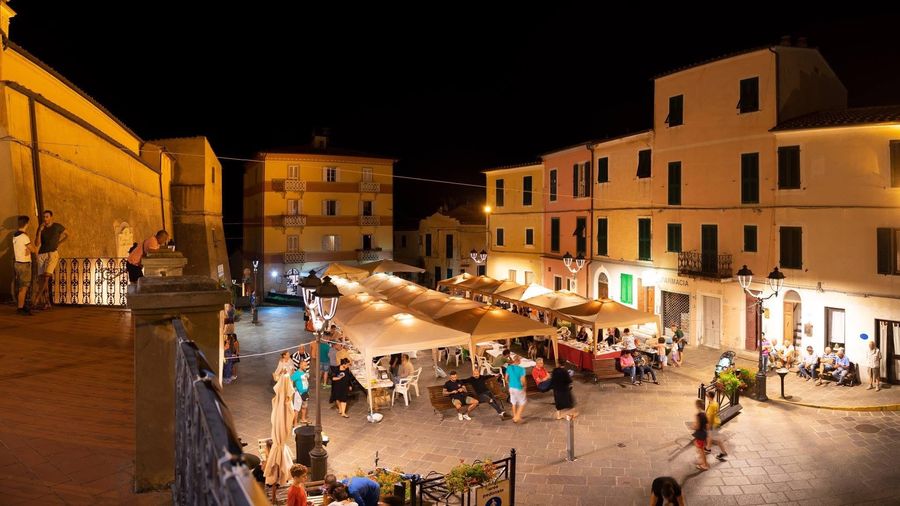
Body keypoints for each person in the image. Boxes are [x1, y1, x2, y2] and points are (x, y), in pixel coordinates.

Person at [33, 210, 68, 310]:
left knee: (47, 277)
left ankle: (37, 299)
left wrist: (59, 243)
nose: (45, 219)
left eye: (47, 217)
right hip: (41, 254)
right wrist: (39, 230)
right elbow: (36, 243)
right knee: (42, 279)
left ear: (51, 217)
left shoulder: (57, 226)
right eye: (44, 217)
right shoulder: (41, 228)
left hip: (52, 254)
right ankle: (47, 302)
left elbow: (68, 234)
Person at [13, 215, 38, 316]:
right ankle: (20, 308)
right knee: (24, 287)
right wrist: (32, 248)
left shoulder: (15, 236)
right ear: (26, 224)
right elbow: (33, 250)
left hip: (17, 263)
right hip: (24, 264)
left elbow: (27, 249)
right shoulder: (24, 237)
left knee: (21, 287)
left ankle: (21, 306)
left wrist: (28, 249)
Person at [705, 390, 728, 461]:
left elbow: (710, 417)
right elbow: (717, 412)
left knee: (718, 439)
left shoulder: (711, 405)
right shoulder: (716, 403)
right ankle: (708, 448)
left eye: (707, 396)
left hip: (713, 424)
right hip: (717, 422)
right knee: (710, 436)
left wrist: (709, 425)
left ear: (709, 397)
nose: (706, 397)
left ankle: (723, 453)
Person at [505, 355, 527, 423]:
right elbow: (523, 380)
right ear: (519, 361)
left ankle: (514, 416)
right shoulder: (521, 369)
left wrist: (509, 383)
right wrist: (524, 386)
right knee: (523, 402)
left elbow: (506, 378)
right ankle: (517, 416)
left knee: (513, 402)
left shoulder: (509, 367)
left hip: (511, 388)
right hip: (518, 387)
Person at [291, 359, 310, 425]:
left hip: (306, 392)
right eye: (305, 365)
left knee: (304, 406)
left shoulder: (305, 372)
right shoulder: (296, 374)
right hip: (299, 393)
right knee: (297, 408)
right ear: (300, 365)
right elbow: (290, 380)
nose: (306, 366)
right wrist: (293, 388)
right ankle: (295, 423)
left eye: (306, 365)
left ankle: (303, 419)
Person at [692, 399, 709, 471]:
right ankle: (703, 461)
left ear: (697, 405)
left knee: (701, 450)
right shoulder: (705, 413)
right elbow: (708, 425)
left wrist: (693, 426)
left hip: (700, 434)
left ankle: (705, 465)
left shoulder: (698, 415)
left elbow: (697, 426)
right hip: (704, 433)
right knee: (698, 446)